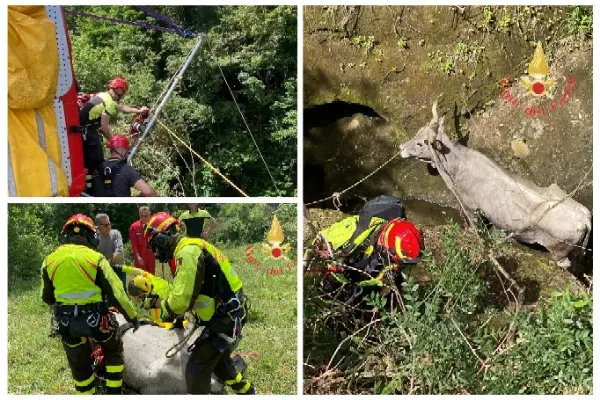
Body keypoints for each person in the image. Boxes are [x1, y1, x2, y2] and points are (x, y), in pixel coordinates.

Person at [143, 212, 255, 395]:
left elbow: (181, 301)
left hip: (225, 319)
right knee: (218, 362)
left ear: (162, 239)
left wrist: (164, 310)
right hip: (227, 314)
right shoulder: (193, 246)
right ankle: (247, 391)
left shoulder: (186, 253)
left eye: (154, 247)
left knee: (195, 370)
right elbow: (184, 288)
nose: (156, 254)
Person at [41, 214, 140, 394]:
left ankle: (87, 394)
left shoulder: (50, 260)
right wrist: (132, 317)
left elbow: (47, 297)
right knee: (113, 349)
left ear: (66, 236)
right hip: (97, 322)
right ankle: (113, 392)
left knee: (78, 364)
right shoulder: (96, 259)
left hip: (67, 324)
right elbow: (117, 293)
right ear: (91, 236)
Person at [311, 195, 424, 307]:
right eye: (395, 260)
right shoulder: (349, 233)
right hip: (338, 274)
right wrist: (325, 252)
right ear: (387, 248)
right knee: (325, 296)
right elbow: (318, 244)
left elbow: (398, 275)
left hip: (367, 282)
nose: (396, 264)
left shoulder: (403, 255)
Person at [79, 77, 149, 193]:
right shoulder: (109, 102)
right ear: (120, 91)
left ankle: (88, 189)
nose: (122, 96)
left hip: (82, 132)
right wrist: (114, 143)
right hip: (89, 134)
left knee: (89, 164)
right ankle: (94, 191)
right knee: (97, 165)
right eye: (123, 93)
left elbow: (121, 107)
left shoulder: (102, 96)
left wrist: (138, 111)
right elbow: (104, 127)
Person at [92, 134, 157, 197]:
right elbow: (149, 192)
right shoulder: (128, 170)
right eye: (126, 150)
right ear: (123, 150)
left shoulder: (97, 170)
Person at [96, 213, 126, 292]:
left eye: (109, 224)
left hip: (118, 269)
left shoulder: (116, 233)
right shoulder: (95, 237)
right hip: (104, 271)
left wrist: (106, 264)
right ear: (98, 226)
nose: (109, 226)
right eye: (106, 225)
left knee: (122, 293)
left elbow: (119, 251)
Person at [129, 206, 156, 274]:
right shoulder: (134, 227)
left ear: (149, 215)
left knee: (151, 277)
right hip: (140, 256)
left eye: (146, 216)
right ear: (139, 215)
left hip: (150, 255)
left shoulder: (154, 225)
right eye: (142, 216)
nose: (144, 218)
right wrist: (138, 257)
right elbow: (134, 244)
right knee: (140, 278)